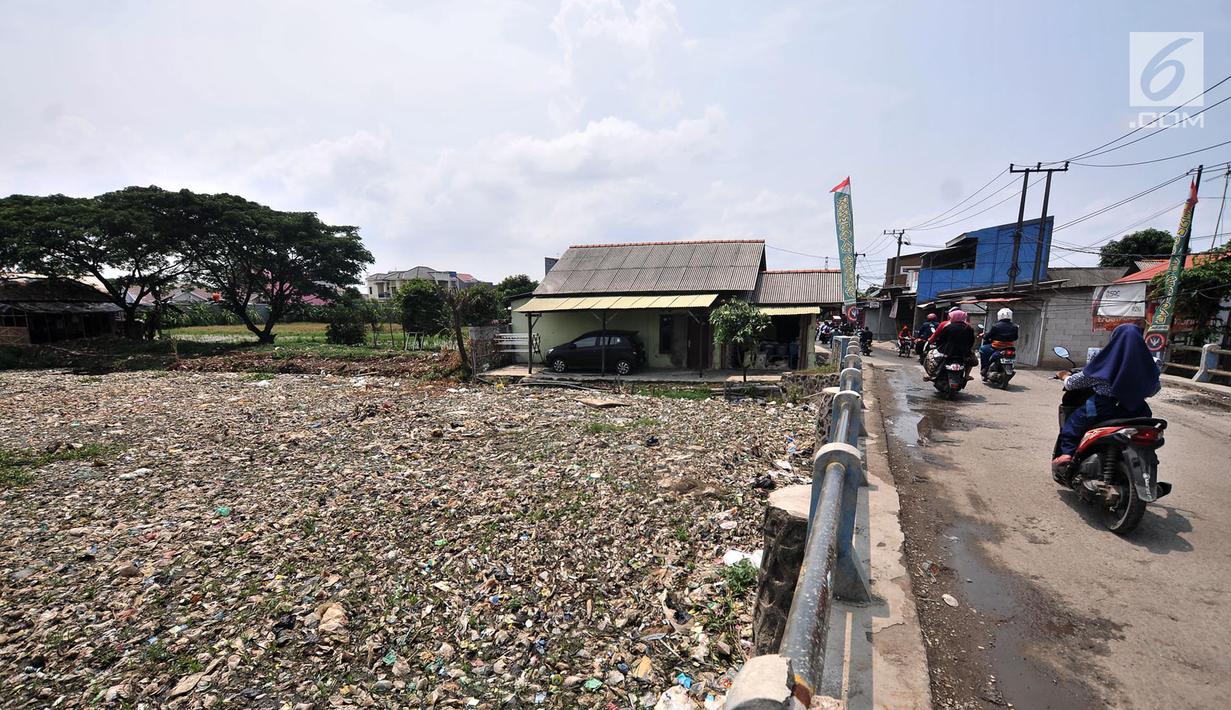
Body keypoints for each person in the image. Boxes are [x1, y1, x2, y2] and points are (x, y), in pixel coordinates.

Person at [1052, 324, 1161, 476]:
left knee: (1073, 424)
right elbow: (1153, 390)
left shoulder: (1106, 362)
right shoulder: (1147, 365)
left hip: (1103, 408)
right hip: (1137, 410)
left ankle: (1067, 455)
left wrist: (1064, 376)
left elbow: (1073, 384)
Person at [926, 309, 975, 380]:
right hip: (964, 352)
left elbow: (941, 339)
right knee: (970, 361)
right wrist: (967, 349)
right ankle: (967, 375)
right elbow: (971, 341)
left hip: (946, 350)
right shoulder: (969, 328)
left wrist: (939, 347)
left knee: (931, 356)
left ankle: (931, 374)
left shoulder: (947, 326)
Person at [980, 308, 1019, 379]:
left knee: (983, 349)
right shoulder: (1015, 326)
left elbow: (987, 337)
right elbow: (1015, 337)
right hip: (1009, 348)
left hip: (996, 347)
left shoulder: (996, 326)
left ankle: (985, 368)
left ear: (1000, 315)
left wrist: (984, 336)